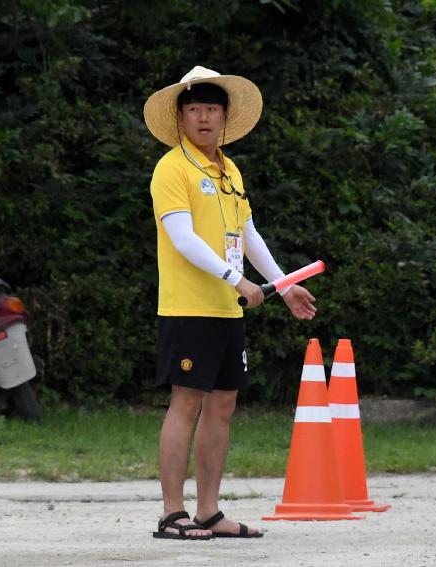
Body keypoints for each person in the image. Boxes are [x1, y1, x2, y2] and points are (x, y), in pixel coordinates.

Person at [143, 66, 317, 540]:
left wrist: (282, 286)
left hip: (228, 308)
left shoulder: (229, 169)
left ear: (224, 118)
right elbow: (183, 239)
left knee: (223, 406)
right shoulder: (172, 168)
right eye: (195, 110)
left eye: (212, 110)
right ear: (181, 118)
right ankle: (172, 513)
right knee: (186, 403)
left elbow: (247, 235)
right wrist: (236, 279)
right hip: (188, 307)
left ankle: (208, 511)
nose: (204, 118)